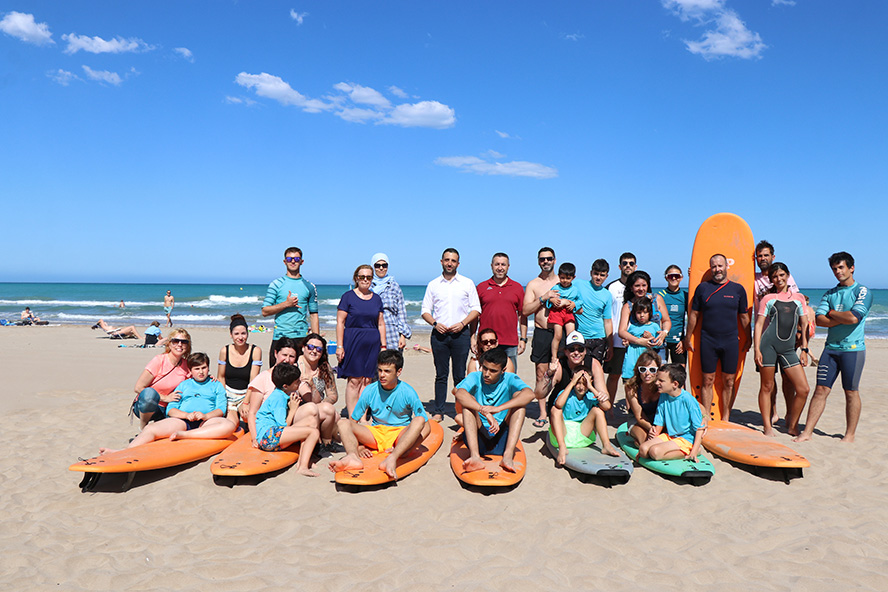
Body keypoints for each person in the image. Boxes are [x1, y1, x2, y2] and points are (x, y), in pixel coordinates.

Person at [794, 252, 872, 443]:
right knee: (820, 390)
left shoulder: (862, 291)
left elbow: (854, 317)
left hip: (853, 350)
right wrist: (841, 316)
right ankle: (807, 432)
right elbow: (820, 320)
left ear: (851, 268)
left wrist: (832, 313)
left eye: (841, 267)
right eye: (835, 269)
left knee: (851, 391)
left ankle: (849, 435)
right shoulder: (830, 293)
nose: (838, 272)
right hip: (830, 350)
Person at [100, 353, 236, 454]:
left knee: (229, 426)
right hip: (182, 422)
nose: (201, 372)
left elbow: (221, 409)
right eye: (197, 369)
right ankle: (122, 452)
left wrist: (206, 416)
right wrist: (186, 415)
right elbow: (171, 409)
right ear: (190, 371)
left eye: (204, 368)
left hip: (205, 423)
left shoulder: (216, 385)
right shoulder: (183, 385)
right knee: (150, 429)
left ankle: (186, 436)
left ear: (208, 368)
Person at [329, 350, 430, 479]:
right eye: (380, 370)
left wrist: (408, 449)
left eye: (387, 371)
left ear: (398, 372)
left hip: (399, 435)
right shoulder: (370, 390)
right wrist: (359, 446)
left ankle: (392, 459)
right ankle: (352, 457)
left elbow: (427, 427)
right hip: (375, 434)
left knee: (420, 420)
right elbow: (352, 422)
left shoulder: (408, 392)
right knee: (343, 422)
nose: (382, 375)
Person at [686, 254, 751, 421]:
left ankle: (726, 417)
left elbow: (744, 317)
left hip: (730, 341)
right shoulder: (702, 288)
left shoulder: (737, 289)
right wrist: (688, 337)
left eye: (720, 266)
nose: (717, 269)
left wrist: (748, 337)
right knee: (707, 379)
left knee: (729, 381)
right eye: (714, 266)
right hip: (708, 340)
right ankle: (706, 416)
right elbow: (694, 315)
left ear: (726, 266)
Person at [421, 248, 481, 422]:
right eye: (447, 260)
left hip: (460, 334)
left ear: (458, 263)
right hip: (439, 334)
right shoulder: (433, 284)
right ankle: (438, 410)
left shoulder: (467, 283)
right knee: (441, 374)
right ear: (441, 261)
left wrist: (463, 324)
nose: (449, 263)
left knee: (460, 375)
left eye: (453, 261)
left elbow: (476, 309)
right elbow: (425, 310)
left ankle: (460, 409)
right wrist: (435, 323)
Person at [454, 348, 535, 473]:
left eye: (493, 371)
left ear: (503, 371)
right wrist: (484, 411)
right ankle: (475, 457)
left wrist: (497, 409)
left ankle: (508, 456)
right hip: (478, 438)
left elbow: (530, 394)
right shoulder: (475, 376)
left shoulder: (510, 378)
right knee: (468, 401)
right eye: (485, 368)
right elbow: (459, 394)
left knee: (519, 402)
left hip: (501, 439)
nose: (486, 374)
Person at [754, 262, 810, 437]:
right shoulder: (768, 299)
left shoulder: (799, 298)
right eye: (775, 277)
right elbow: (759, 324)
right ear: (771, 279)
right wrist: (757, 349)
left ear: (787, 275)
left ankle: (792, 425)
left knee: (803, 389)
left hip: (788, 349)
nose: (778, 279)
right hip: (768, 345)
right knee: (767, 386)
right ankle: (767, 427)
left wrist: (805, 349)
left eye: (781, 275)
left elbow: (804, 324)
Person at [253, 363, 321, 477]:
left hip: (272, 435)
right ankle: (303, 467)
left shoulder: (281, 393)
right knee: (313, 432)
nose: (299, 383)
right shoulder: (278, 398)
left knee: (311, 421)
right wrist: (293, 409)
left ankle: (303, 461)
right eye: (297, 382)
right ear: (285, 386)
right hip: (268, 437)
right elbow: (282, 426)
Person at [337, 264, 386, 416]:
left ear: (372, 279)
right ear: (356, 278)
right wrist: (340, 346)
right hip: (353, 342)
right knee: (354, 380)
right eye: (362, 277)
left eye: (369, 277)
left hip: (372, 344)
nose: (365, 280)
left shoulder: (376, 299)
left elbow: (380, 323)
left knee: (367, 381)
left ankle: (362, 416)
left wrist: (383, 346)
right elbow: (340, 322)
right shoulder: (348, 297)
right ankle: (353, 416)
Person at [245, 338, 311, 448]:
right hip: (274, 428)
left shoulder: (294, 378)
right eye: (284, 355)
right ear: (276, 353)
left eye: (292, 356)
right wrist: (254, 437)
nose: (287, 360)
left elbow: (311, 400)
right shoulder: (263, 378)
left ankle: (312, 451)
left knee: (313, 412)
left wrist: (311, 384)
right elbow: (252, 413)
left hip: (290, 424)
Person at [261, 246, 319, 366]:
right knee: (276, 378)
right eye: (289, 258)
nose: (293, 261)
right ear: (284, 261)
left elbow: (314, 315)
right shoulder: (276, 284)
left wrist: (316, 341)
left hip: (301, 338)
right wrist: (286, 304)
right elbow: (265, 311)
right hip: (280, 337)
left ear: (302, 262)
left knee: (301, 379)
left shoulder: (309, 286)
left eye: (296, 259)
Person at [522, 247, 559, 429]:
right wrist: (544, 298)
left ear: (555, 260)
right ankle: (543, 413)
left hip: (561, 333)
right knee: (541, 373)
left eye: (549, 258)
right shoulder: (533, 284)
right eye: (542, 259)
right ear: (538, 261)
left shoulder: (563, 281)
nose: (546, 262)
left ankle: (558, 408)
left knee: (563, 371)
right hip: (542, 333)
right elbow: (525, 310)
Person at [549, 368, 618, 466]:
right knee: (555, 410)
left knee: (598, 410)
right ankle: (562, 447)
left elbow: (607, 406)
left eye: (584, 383)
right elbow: (559, 404)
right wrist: (572, 383)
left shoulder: (590, 396)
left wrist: (591, 387)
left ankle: (606, 445)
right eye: (578, 383)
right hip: (563, 433)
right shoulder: (566, 394)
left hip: (582, 433)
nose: (581, 387)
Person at [638, 364, 704, 461]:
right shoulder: (664, 395)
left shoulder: (688, 399)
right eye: (657, 379)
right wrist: (653, 438)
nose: (656, 383)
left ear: (675, 384)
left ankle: (692, 451)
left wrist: (694, 451)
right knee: (643, 449)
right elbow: (660, 421)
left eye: (661, 381)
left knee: (655, 452)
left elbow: (699, 428)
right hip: (670, 436)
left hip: (686, 438)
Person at [130, 329, 193, 429]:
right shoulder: (159, 360)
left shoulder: (187, 365)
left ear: (188, 346)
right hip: (148, 405)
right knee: (149, 394)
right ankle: (143, 427)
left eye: (184, 342)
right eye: (175, 341)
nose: (180, 344)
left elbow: (197, 379)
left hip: (171, 407)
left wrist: (210, 379)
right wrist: (165, 398)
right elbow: (138, 388)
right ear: (169, 344)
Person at [570, 259, 614, 399]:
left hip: (600, 339)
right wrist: (574, 306)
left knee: (595, 373)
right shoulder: (578, 284)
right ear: (591, 273)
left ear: (607, 276)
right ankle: (578, 400)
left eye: (602, 275)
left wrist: (610, 345)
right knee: (580, 372)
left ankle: (593, 401)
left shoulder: (607, 295)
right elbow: (563, 291)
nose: (598, 278)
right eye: (596, 274)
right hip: (581, 338)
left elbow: (607, 321)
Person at [475, 252, 527, 370]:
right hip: (486, 341)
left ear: (508, 266)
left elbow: (522, 315)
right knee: (486, 375)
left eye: (503, 264)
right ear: (491, 266)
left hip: (510, 342)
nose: (500, 268)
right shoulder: (481, 287)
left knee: (509, 377)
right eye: (497, 264)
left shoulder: (517, 287)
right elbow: (475, 315)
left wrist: (523, 339)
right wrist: (473, 338)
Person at [217, 313, 263, 427]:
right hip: (229, 395)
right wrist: (224, 400)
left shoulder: (255, 351)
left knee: (249, 420)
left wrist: (246, 402)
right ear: (231, 335)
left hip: (246, 394)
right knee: (232, 424)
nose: (240, 337)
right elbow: (221, 377)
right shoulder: (225, 351)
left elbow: (253, 380)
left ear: (247, 333)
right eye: (236, 334)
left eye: (243, 333)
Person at [296, 333, 339, 449]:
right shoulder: (297, 366)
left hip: (318, 404)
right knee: (329, 412)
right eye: (310, 347)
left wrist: (321, 405)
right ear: (303, 348)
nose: (314, 351)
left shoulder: (324, 368)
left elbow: (333, 395)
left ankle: (325, 442)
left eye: (319, 349)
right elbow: (307, 398)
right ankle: (324, 442)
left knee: (335, 416)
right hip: (299, 409)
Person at [604, 253, 637, 401]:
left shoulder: (639, 287)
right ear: (620, 266)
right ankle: (608, 408)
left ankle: (632, 410)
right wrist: (609, 342)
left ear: (635, 266)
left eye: (631, 263)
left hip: (635, 340)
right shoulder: (611, 287)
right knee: (614, 375)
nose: (628, 266)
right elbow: (606, 316)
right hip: (616, 339)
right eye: (625, 263)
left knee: (634, 377)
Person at [545, 262, 581, 376]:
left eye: (568, 278)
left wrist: (574, 304)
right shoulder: (555, 287)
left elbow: (581, 302)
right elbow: (547, 300)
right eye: (562, 278)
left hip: (568, 312)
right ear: (559, 276)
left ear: (573, 278)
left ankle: (572, 354)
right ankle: (554, 356)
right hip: (556, 313)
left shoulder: (575, 289)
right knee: (558, 335)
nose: (565, 280)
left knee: (572, 334)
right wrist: (551, 301)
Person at [370, 253, 412, 351]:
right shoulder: (368, 285)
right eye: (377, 265)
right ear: (373, 267)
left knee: (391, 363)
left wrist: (403, 336)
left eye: (384, 265)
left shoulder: (394, 286)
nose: (381, 268)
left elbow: (401, 312)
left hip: (392, 333)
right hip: (372, 330)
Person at [624, 350, 662, 446]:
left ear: (658, 371)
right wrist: (651, 429)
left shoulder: (662, 386)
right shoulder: (631, 387)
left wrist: (704, 416)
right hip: (638, 420)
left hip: (658, 421)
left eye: (652, 370)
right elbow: (639, 416)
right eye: (643, 369)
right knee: (646, 443)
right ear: (638, 370)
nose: (647, 373)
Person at [621, 299, 661, 380]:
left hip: (646, 362)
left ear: (650, 313)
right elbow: (627, 339)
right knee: (629, 383)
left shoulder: (654, 327)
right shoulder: (632, 327)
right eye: (639, 313)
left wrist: (651, 338)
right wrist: (626, 341)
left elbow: (658, 345)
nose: (642, 315)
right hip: (632, 360)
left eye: (645, 312)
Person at [753, 240, 799, 308]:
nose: (763, 258)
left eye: (766, 255)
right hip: (762, 318)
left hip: (783, 317)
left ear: (773, 257)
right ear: (756, 259)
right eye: (760, 256)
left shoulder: (783, 276)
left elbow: (796, 298)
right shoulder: (753, 279)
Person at [658, 265, 688, 365]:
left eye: (677, 276)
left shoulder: (685, 296)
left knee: (679, 374)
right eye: (671, 276)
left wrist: (685, 340)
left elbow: (692, 319)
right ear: (666, 277)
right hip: (661, 339)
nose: (674, 278)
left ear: (681, 277)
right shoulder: (659, 295)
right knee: (660, 373)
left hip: (678, 341)